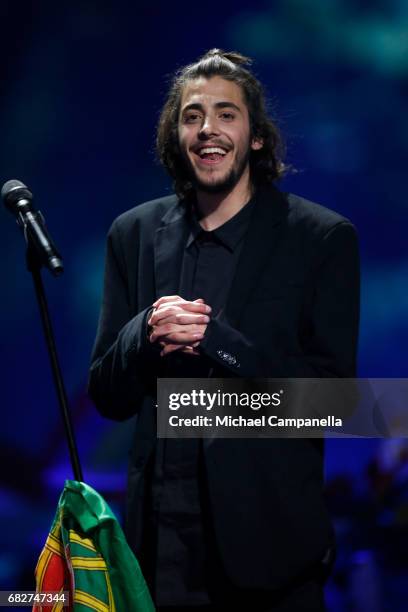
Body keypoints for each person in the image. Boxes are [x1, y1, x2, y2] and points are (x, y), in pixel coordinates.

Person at [88, 49, 360, 611]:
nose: (208, 129)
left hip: (270, 554)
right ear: (176, 135)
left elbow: (337, 407)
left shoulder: (321, 239)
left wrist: (219, 344)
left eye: (226, 114)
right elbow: (107, 398)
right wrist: (143, 332)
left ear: (257, 136)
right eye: (192, 116)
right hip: (157, 546)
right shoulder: (132, 234)